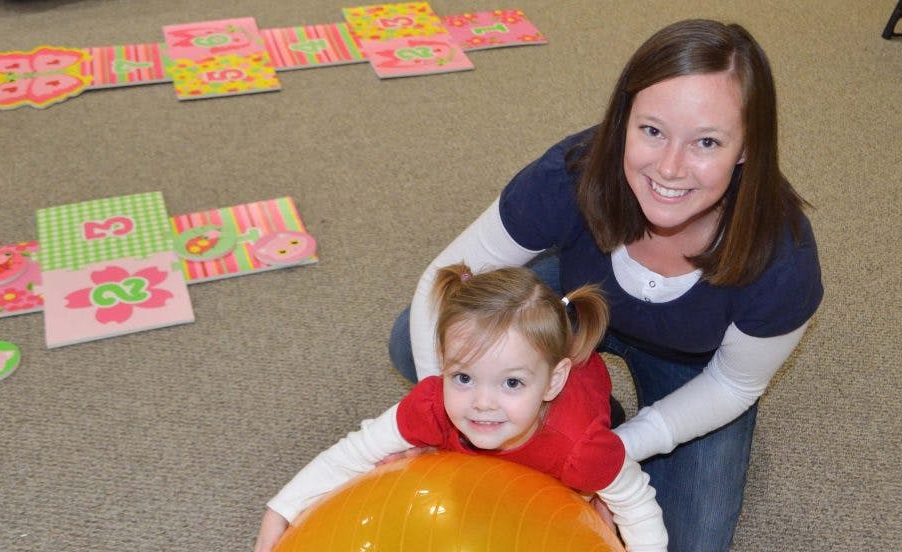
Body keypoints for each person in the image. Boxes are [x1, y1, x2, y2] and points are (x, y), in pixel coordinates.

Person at [388, 19, 823, 551]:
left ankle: (587, 415)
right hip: (577, 300)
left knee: (689, 542)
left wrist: (609, 451)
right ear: (622, 121)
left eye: (706, 141)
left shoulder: (782, 258)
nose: (670, 168)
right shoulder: (570, 173)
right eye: (652, 130)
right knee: (417, 340)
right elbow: (446, 277)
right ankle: (584, 401)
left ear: (747, 147)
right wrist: (440, 414)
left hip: (693, 360)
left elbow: (733, 385)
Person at [256, 264, 668, 552]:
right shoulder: (434, 404)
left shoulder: (581, 446)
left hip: (579, 408)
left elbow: (636, 503)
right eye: (464, 377)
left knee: (592, 488)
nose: (482, 403)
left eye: (511, 383)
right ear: (443, 364)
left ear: (552, 382)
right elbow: (356, 451)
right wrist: (281, 509)